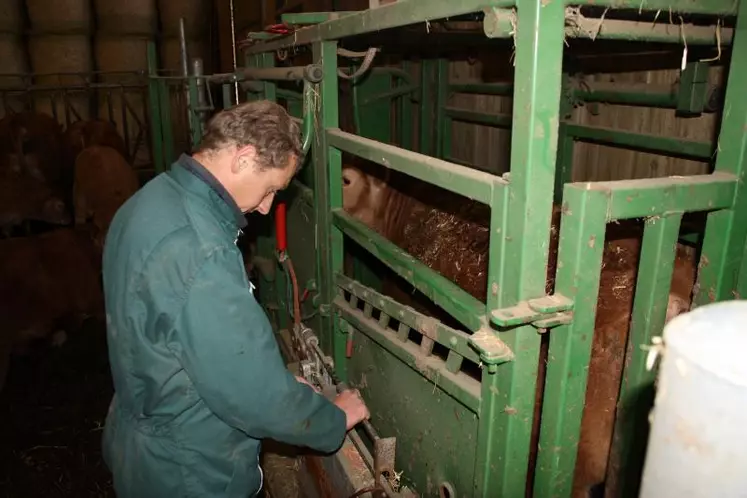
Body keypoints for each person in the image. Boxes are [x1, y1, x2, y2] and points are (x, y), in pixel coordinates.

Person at [100, 100, 370, 498]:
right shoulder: (201, 250)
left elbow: (180, 344)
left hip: (144, 443)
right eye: (271, 189)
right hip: (190, 470)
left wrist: (270, 379)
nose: (266, 207)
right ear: (243, 158)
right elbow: (256, 401)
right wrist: (331, 418)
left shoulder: (148, 201)